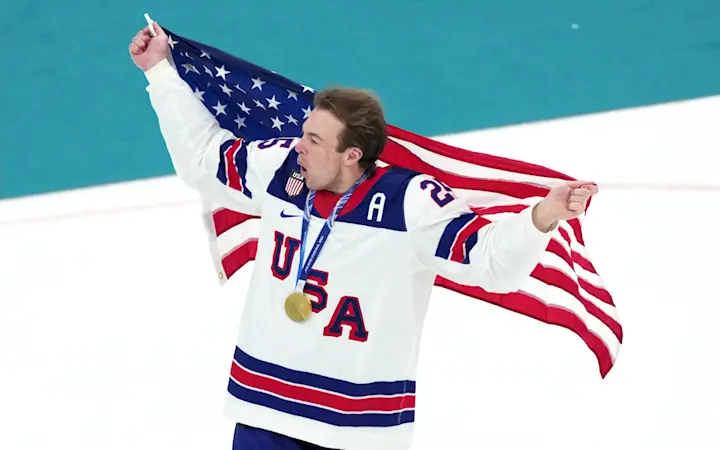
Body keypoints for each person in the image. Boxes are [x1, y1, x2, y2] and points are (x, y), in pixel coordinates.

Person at [129, 21, 598, 450]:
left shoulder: (410, 203)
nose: (299, 145)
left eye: (315, 140)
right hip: (265, 408)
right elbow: (204, 161)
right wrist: (161, 73)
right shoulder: (281, 167)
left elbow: (492, 264)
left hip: (356, 428)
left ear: (352, 154)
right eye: (304, 132)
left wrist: (543, 215)